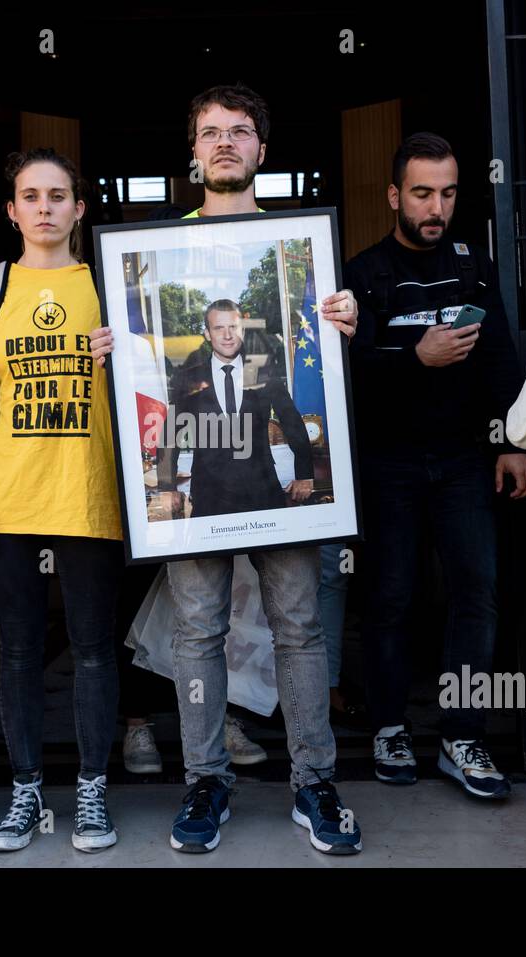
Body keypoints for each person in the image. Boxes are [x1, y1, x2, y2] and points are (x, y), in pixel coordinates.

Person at [90, 84, 363, 855]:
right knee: (197, 633)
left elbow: (314, 403)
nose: (224, 143)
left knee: (301, 629)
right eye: (210, 132)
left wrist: (347, 323)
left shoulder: (300, 250)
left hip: (278, 497)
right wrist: (108, 354)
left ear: (261, 151)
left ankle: (315, 782)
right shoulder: (154, 248)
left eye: (239, 132)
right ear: (193, 149)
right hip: (204, 494)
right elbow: (162, 410)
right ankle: (205, 781)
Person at [346, 132, 526, 797]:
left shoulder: (473, 265)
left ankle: (464, 734)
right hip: (387, 461)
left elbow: (497, 357)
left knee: (475, 592)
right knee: (391, 595)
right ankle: (389, 725)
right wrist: (414, 357)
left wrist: (516, 441)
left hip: (464, 458)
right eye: (423, 193)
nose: (436, 207)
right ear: (395, 195)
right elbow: (345, 374)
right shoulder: (362, 274)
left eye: (449, 193)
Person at [0, 148, 124, 854]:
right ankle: (25, 791)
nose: (45, 206)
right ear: (13, 210)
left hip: (91, 492)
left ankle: (91, 790)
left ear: (80, 208)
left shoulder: (110, 286)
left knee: (92, 649)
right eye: (31, 195)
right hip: (9, 495)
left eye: (58, 195)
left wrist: (124, 355)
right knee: (18, 649)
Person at [155, 299, 314, 517]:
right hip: (208, 497)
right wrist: (167, 486)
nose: (227, 335)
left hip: (263, 493)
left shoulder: (262, 372)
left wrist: (305, 474)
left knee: (289, 554)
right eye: (219, 328)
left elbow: (291, 420)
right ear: (207, 334)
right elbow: (169, 434)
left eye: (233, 327)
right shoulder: (190, 378)